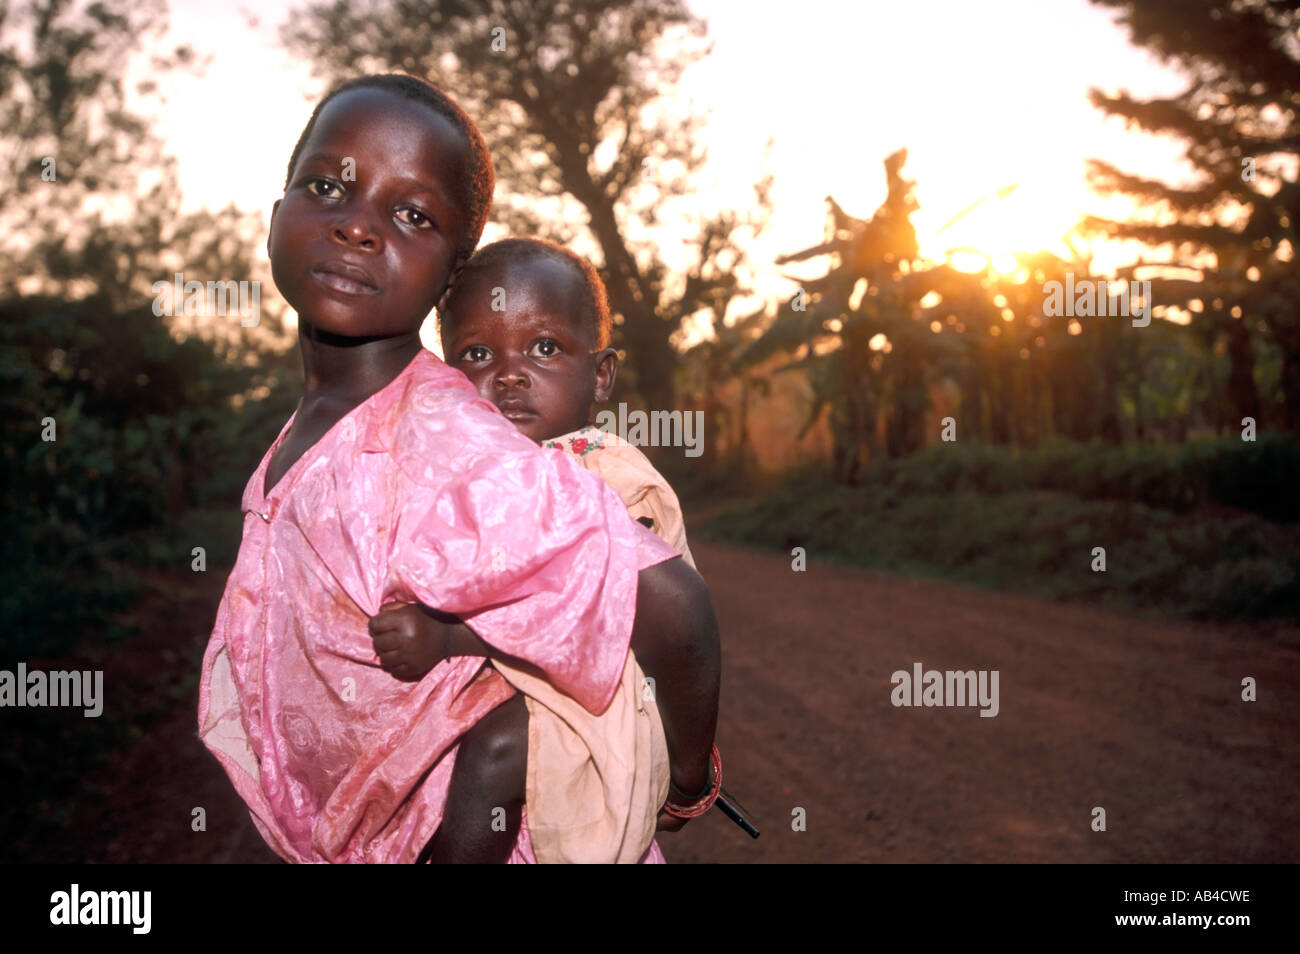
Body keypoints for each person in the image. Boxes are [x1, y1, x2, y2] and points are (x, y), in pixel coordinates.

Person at [197, 73, 720, 864]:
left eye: (412, 215)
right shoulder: (316, 426)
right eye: (329, 186)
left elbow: (668, 596)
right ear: (276, 217)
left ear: (450, 275)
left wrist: (683, 779)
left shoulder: (444, 447)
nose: (359, 228)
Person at [370, 238, 704, 864]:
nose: (510, 373)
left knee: (497, 750)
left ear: (600, 374)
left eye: (544, 348)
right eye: (477, 353)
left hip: (607, 700)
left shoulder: (599, 475)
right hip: (538, 692)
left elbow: (594, 611)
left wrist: (451, 640)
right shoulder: (476, 476)